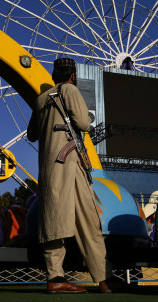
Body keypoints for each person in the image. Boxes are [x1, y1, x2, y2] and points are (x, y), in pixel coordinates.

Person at [27, 58, 127, 294]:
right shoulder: (70, 90)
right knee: (89, 220)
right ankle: (102, 277)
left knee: (54, 220)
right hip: (70, 163)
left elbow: (32, 134)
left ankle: (56, 275)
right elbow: (83, 123)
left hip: (50, 167)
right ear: (73, 76)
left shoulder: (41, 99)